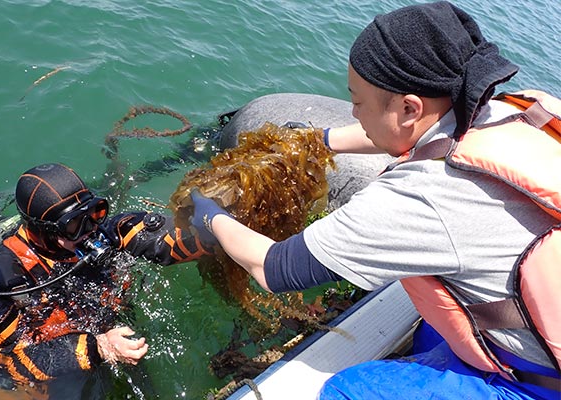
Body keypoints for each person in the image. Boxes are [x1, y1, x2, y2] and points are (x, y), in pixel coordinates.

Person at [189, 2, 560, 399]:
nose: (353, 111)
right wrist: (319, 141)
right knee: (432, 329)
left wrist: (209, 215)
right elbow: (410, 137)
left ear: (408, 106)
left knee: (347, 391)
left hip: (540, 382)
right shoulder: (516, 109)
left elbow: (274, 266)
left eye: (358, 102)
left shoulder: (423, 197)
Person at [0, 162, 212, 387]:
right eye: (75, 224)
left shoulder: (106, 234)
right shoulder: (4, 279)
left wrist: (214, 229)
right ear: (44, 232)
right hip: (67, 347)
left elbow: (168, 238)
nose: (92, 228)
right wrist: (98, 347)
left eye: (96, 212)